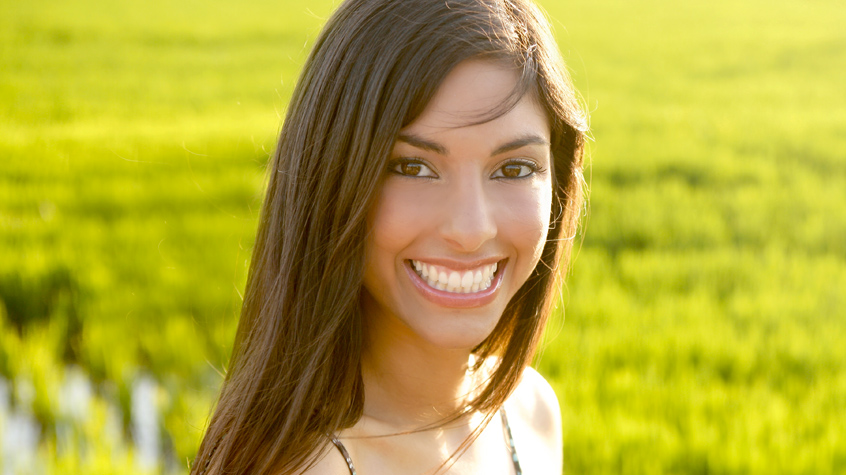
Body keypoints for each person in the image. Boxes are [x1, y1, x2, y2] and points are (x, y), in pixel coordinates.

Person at [191, 0, 587, 473]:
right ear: (331, 180)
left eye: (514, 168)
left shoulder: (530, 412)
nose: (470, 228)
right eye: (413, 168)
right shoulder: (311, 467)